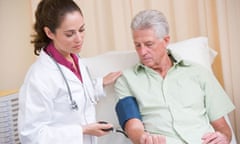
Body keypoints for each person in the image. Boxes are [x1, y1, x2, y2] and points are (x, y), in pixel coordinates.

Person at [114, 10, 235, 144]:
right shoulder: (126, 80)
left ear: (166, 40)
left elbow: (223, 127)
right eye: (137, 45)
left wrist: (223, 137)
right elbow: (133, 126)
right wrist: (143, 139)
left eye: (149, 44)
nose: (142, 52)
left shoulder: (199, 73)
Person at [18, 0, 122, 144]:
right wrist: (82, 130)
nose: (79, 39)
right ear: (49, 32)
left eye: (81, 29)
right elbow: (31, 135)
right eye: (70, 34)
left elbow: (71, 99)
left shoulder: (75, 58)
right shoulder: (39, 77)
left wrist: (99, 84)